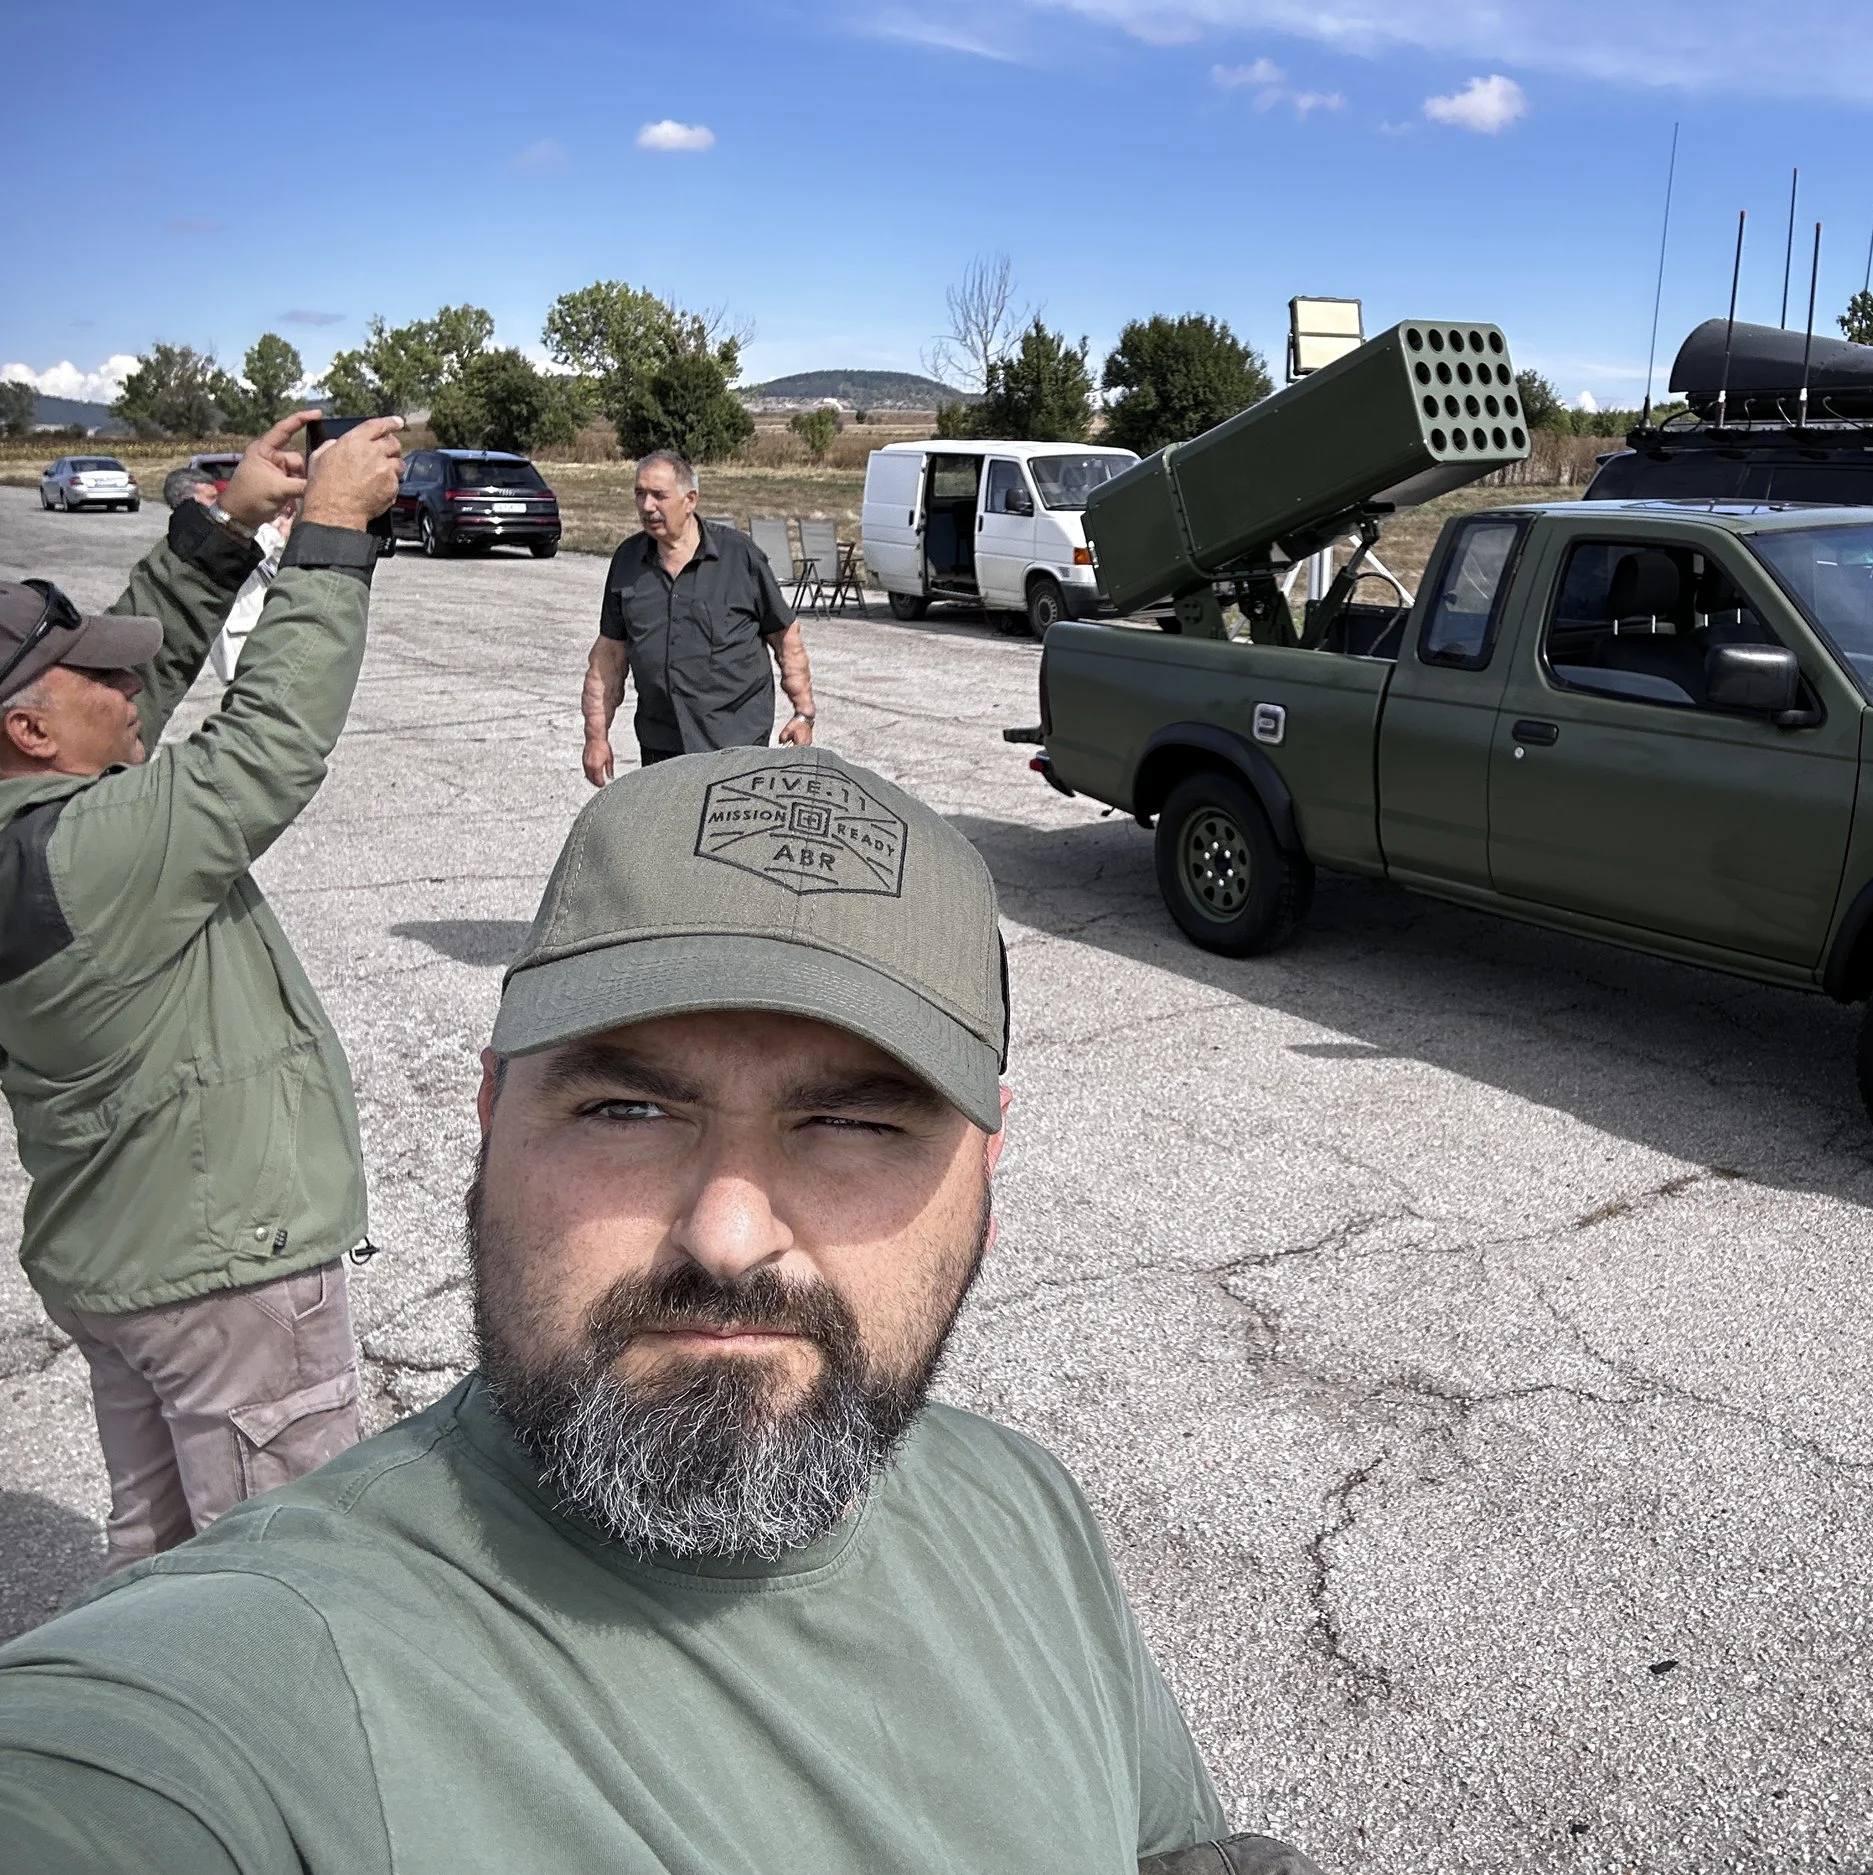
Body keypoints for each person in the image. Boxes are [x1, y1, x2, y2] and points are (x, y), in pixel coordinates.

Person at [0, 746, 1326, 1875]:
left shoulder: (1025, 1510)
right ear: (491, 1114)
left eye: (855, 1120)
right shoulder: (258, 1682)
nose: (728, 1231)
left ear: (986, 1169)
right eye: (627, 1108)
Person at [0, 412, 405, 1569]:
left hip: (118, 1264)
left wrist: (220, 530)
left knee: (161, 1550)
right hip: (220, 1274)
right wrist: (328, 532)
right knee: (281, 1573)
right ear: (30, 728)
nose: (136, 687)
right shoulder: (91, 854)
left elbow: (132, 707)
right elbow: (267, 742)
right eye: (99, 678)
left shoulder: (33, 823)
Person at [582, 448, 817, 783]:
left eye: (659, 496)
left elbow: (786, 638)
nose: (647, 506)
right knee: (668, 834)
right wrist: (596, 735)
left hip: (736, 742)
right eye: (640, 494)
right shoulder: (627, 561)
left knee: (732, 835)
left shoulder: (740, 558)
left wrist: (803, 714)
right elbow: (609, 656)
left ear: (690, 499)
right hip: (661, 742)